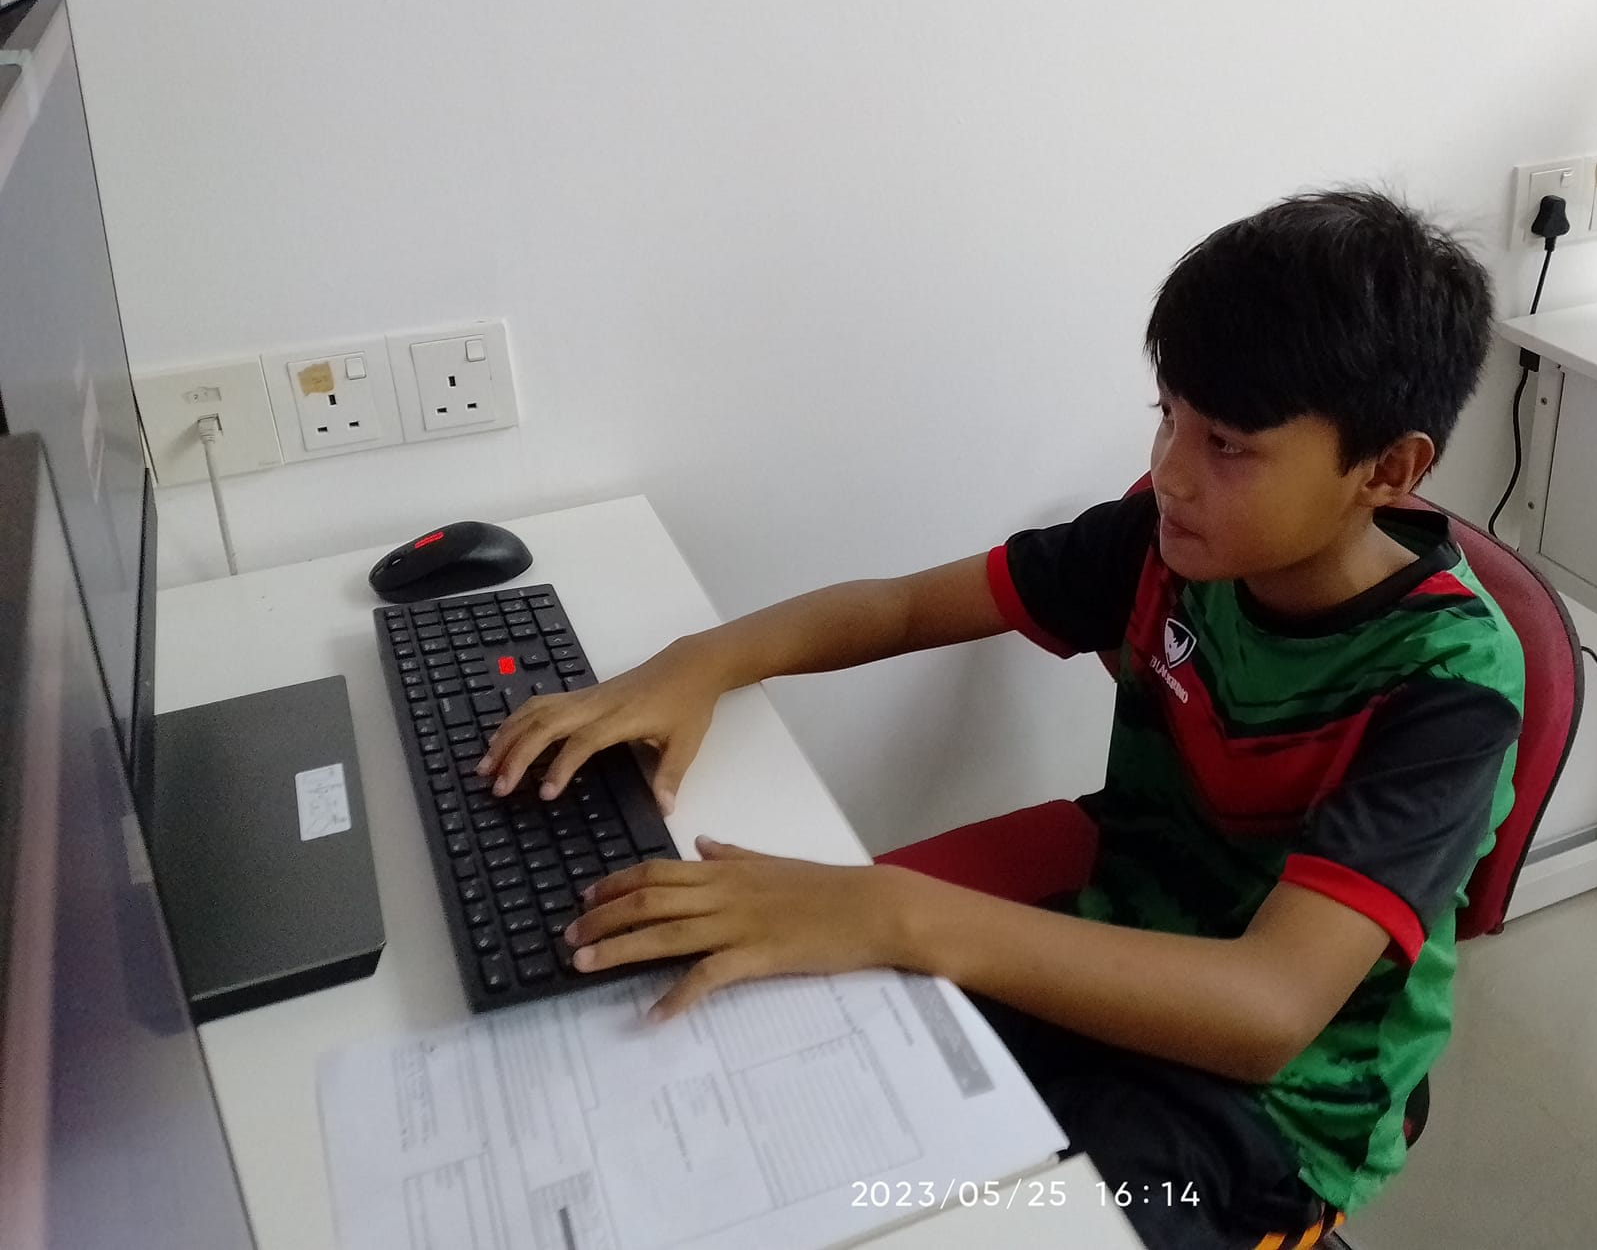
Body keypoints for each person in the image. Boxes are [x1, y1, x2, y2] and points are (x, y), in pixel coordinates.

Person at [478, 189, 1523, 1248]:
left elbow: (1269, 1011)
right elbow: (900, 607)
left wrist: (893, 913)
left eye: (1226, 444)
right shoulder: (1164, 542)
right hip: (1105, 955)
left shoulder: (1449, 686)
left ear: (1388, 470)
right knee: (761, 1080)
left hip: (1272, 1110)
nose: (1167, 473)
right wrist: (697, 663)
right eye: (1166, 415)